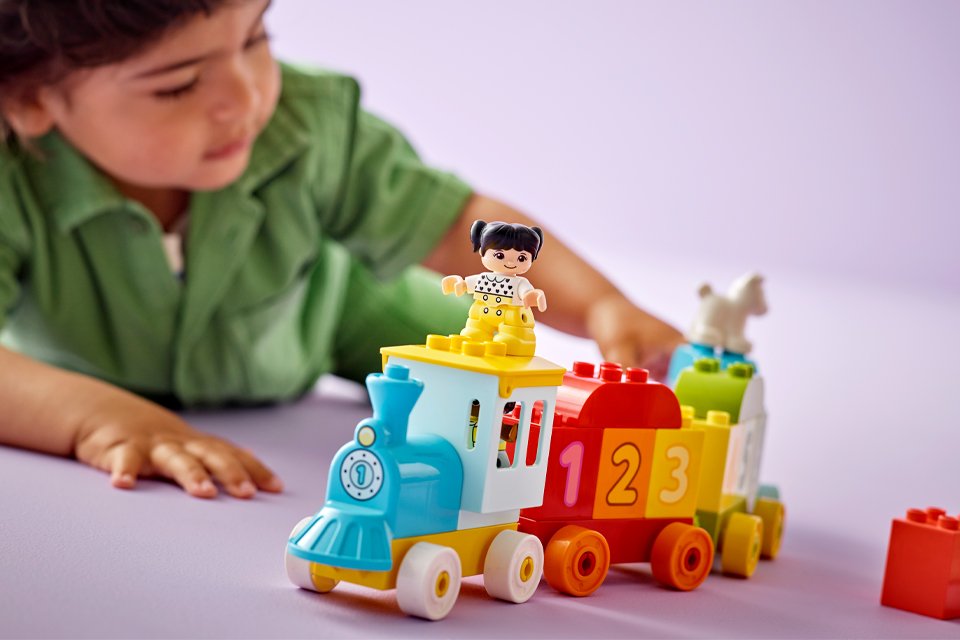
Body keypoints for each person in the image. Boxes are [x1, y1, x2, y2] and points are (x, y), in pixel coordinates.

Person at [0, 0, 682, 499]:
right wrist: (97, 418)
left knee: (500, 375)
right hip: (91, 372)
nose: (246, 95)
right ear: (30, 99)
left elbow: (456, 226)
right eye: (178, 84)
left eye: (255, 37)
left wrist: (601, 305)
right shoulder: (12, 171)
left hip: (332, 311)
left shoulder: (310, 124)